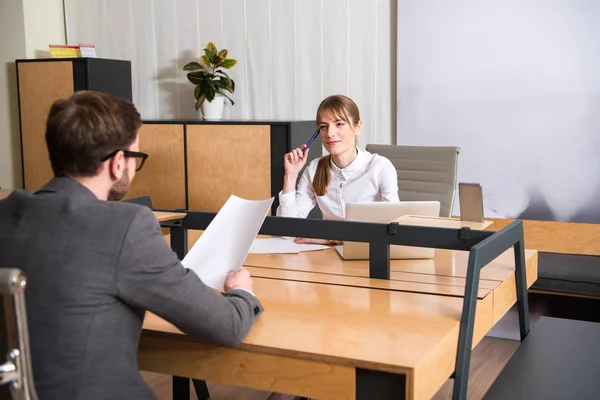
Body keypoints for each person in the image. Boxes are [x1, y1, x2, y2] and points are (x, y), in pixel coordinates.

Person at [0, 91, 263, 400]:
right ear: (116, 163)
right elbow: (226, 325)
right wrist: (242, 292)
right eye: (134, 159)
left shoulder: (6, 213)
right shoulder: (125, 227)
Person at [276, 94, 400, 244]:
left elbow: (393, 230)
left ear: (357, 127)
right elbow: (287, 232)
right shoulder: (314, 169)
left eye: (339, 124)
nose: (330, 133)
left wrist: (332, 239)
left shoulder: (380, 167)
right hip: (327, 258)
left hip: (369, 255)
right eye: (323, 127)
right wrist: (290, 175)